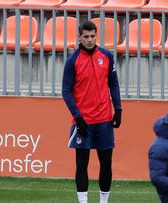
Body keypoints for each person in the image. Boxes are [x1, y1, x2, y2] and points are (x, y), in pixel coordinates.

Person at [62, 21, 122, 203]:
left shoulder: (106, 56)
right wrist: (78, 117)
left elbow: (113, 83)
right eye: (86, 36)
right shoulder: (72, 61)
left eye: (92, 36)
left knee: (106, 163)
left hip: (104, 120)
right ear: (79, 37)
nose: (89, 40)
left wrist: (118, 109)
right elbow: (66, 91)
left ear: (97, 36)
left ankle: (104, 201)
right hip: (83, 122)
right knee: (82, 164)